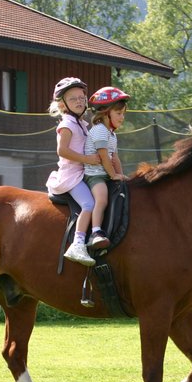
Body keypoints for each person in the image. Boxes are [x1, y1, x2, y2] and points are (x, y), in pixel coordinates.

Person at [45, 77, 100, 267]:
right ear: (62, 105)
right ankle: (77, 244)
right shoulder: (67, 124)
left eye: (81, 98)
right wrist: (89, 160)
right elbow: (63, 151)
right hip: (72, 176)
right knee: (89, 204)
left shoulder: (81, 124)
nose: (79, 101)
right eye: (73, 98)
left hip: (83, 172)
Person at [83, 86, 129, 249]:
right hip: (94, 175)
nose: (122, 117)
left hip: (106, 173)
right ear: (105, 113)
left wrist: (122, 177)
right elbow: (103, 156)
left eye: (123, 113)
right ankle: (95, 233)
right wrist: (113, 175)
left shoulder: (112, 134)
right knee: (101, 197)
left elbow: (114, 158)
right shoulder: (100, 131)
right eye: (118, 113)